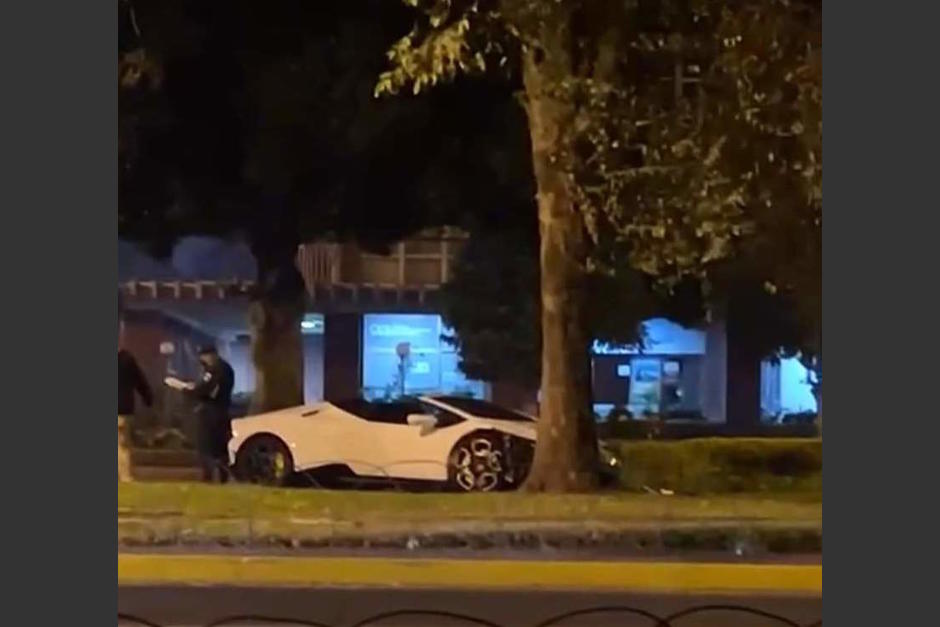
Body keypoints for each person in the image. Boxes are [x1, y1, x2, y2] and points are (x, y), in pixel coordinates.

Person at [185, 345, 235, 483]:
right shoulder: (226, 368)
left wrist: (189, 390)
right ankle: (222, 476)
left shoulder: (215, 370)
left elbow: (206, 388)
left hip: (211, 412)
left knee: (206, 446)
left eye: (203, 356)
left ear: (209, 355)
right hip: (222, 410)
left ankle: (208, 476)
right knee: (220, 446)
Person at [118, 345, 153, 482]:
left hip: (121, 408)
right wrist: (148, 398)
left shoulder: (127, 359)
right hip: (124, 409)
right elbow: (140, 381)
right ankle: (125, 476)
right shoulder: (128, 360)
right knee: (123, 444)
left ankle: (125, 476)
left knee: (121, 445)